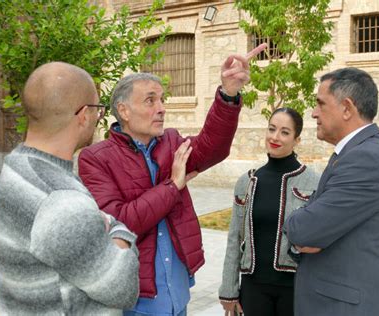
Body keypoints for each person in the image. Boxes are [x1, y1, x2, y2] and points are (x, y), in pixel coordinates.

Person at [78, 43, 267, 316]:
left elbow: (213, 147)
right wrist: (172, 186)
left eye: (162, 99)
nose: (162, 108)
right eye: (150, 100)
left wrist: (229, 92)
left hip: (177, 291)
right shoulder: (95, 159)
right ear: (124, 111)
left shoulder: (171, 142)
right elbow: (121, 223)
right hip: (137, 299)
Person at [0, 62, 140, 315]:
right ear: (83, 115)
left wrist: (99, 223)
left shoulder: (16, 165)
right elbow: (124, 289)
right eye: (98, 110)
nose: (98, 118)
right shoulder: (62, 203)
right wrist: (120, 235)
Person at [284, 67, 379, 316]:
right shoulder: (358, 153)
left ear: (347, 108)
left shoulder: (365, 159)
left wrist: (304, 226)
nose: (313, 113)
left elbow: (304, 230)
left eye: (320, 103)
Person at [218, 108, 320, 316]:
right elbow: (234, 240)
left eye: (284, 132)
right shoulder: (246, 182)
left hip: (296, 288)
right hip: (253, 288)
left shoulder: (313, 182)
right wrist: (229, 291)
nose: (275, 137)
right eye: (272, 129)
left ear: (296, 140)